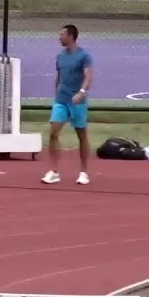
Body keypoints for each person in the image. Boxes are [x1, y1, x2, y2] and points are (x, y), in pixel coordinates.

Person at [42, 23, 93, 186]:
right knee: (53, 133)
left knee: (81, 135)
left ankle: (84, 172)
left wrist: (81, 93)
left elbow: (88, 76)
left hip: (77, 102)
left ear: (71, 36)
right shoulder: (60, 56)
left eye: (62, 34)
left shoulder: (84, 56)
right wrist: (56, 92)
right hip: (61, 100)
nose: (59, 37)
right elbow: (59, 76)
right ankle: (54, 171)